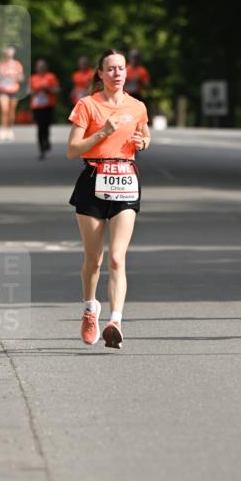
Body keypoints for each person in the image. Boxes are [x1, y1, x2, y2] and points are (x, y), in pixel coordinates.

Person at [66, 48, 150, 349]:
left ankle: (115, 321)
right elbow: (73, 149)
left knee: (117, 257)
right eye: (110, 69)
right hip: (92, 180)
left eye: (121, 68)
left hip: (126, 182)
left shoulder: (137, 106)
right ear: (99, 74)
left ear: (128, 72)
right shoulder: (87, 105)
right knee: (94, 260)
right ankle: (91, 310)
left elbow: (145, 134)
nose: (117, 74)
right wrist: (102, 132)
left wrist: (144, 141)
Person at [29, 59, 60, 159]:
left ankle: (46, 140)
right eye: (39, 66)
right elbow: (29, 92)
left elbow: (57, 89)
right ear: (36, 68)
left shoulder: (51, 77)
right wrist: (36, 90)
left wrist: (48, 89)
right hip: (37, 106)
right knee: (39, 127)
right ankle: (41, 148)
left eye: (43, 66)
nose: (41, 68)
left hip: (48, 105)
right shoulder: (33, 78)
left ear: (46, 67)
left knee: (46, 126)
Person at [0, 46, 25, 140]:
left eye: (10, 54)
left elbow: (21, 77)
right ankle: (3, 129)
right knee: (4, 110)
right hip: (3, 90)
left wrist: (16, 77)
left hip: (14, 90)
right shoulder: (0, 65)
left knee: (11, 111)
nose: (8, 56)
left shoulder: (17, 64)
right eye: (6, 54)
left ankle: (9, 129)